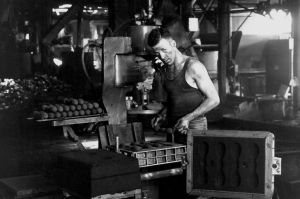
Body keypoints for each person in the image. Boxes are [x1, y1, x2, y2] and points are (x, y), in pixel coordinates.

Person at [148, 28, 219, 143]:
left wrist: (187, 118)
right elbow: (176, 99)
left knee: (195, 160)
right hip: (173, 128)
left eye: (164, 50)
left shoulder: (193, 67)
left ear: (173, 44)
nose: (161, 55)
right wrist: (162, 115)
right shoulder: (164, 70)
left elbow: (214, 100)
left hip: (194, 127)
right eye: (157, 52)